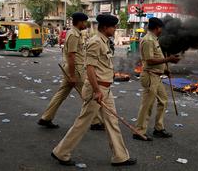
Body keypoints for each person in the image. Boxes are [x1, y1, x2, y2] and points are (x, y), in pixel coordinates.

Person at [51, 14, 137, 167]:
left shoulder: (103, 41)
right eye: (114, 27)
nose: (115, 29)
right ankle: (61, 152)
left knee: (112, 122)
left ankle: (120, 156)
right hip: (97, 89)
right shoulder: (96, 42)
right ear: (105, 27)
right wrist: (97, 90)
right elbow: (90, 68)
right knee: (82, 123)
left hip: (105, 89)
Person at [38, 12, 104, 130]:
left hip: (71, 68)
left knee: (61, 94)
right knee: (88, 94)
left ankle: (46, 118)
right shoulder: (73, 34)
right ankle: (95, 121)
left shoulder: (74, 33)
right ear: (79, 22)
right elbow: (71, 56)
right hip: (76, 70)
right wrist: (73, 75)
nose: (85, 24)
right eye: (84, 22)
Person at [133, 17, 181, 141]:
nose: (162, 31)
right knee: (147, 105)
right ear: (157, 28)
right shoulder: (148, 40)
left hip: (157, 76)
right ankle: (139, 131)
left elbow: (157, 57)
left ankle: (158, 129)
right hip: (150, 76)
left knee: (163, 100)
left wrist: (165, 69)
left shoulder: (155, 39)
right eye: (161, 28)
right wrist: (168, 60)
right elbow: (149, 60)